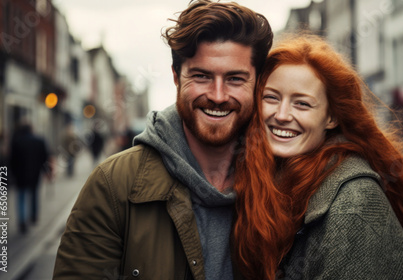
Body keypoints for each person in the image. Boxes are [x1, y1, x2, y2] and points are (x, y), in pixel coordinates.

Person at [53, 1, 272, 279]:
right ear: (176, 78)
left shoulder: (286, 181)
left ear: (257, 83)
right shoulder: (113, 185)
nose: (218, 95)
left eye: (235, 78)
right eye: (202, 76)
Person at [232, 35, 403, 280]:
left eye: (302, 104)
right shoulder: (263, 176)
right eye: (271, 97)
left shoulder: (355, 203)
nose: (282, 115)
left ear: (331, 118)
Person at [10, 122, 51, 234]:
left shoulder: (17, 142)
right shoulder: (39, 141)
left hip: (20, 176)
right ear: (31, 130)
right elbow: (45, 159)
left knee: (21, 197)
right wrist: (47, 172)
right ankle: (33, 216)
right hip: (35, 174)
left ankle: (22, 220)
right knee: (34, 195)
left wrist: (13, 174)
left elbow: (12, 161)